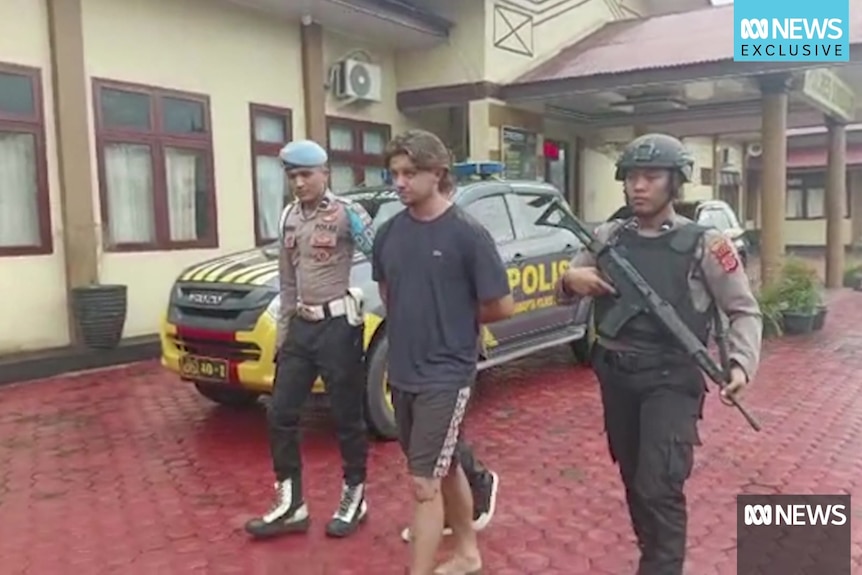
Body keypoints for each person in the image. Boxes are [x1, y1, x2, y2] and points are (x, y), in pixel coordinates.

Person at [555, 133, 762, 575]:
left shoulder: (708, 244)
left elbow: (744, 310)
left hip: (673, 377)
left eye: (651, 176)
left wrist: (741, 364)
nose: (638, 186)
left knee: (660, 484)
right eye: (631, 177)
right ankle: (654, 556)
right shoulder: (609, 235)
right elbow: (569, 279)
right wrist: (572, 281)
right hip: (616, 374)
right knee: (634, 481)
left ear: (675, 182)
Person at [372, 129, 514, 575]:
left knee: (423, 482)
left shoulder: (467, 235)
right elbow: (390, 293)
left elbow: (502, 305)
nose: (399, 182)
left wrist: (453, 318)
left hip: (447, 373)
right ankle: (468, 553)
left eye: (410, 173)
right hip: (404, 371)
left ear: (437, 174)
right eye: (394, 173)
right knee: (445, 465)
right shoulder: (389, 234)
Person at [245, 139, 375, 540]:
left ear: (325, 174)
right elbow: (287, 281)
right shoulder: (289, 216)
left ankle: (355, 494)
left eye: (305, 174)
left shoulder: (347, 214)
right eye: (291, 176)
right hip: (301, 327)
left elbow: (382, 257)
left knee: (346, 416)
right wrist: (284, 337)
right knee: (280, 412)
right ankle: (291, 503)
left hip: (338, 327)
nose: (298, 183)